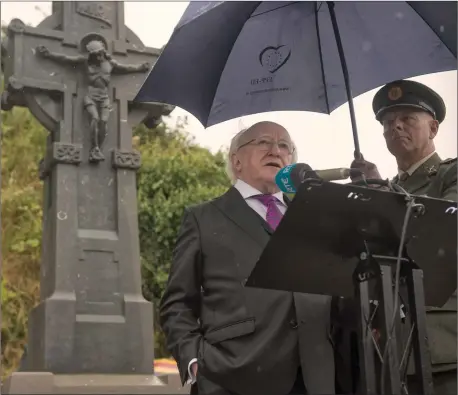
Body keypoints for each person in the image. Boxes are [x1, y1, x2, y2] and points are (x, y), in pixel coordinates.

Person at [159, 121, 336, 395]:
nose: (275, 151)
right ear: (236, 160)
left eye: (285, 146)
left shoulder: (314, 219)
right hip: (233, 377)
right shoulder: (202, 218)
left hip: (316, 377)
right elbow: (177, 303)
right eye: (263, 142)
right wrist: (196, 362)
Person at [348, 79, 457, 394]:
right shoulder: (382, 189)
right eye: (388, 122)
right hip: (389, 347)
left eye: (407, 118)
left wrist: (383, 192)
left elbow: (441, 225)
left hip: (446, 342)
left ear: (433, 128)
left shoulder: (451, 174)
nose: (395, 127)